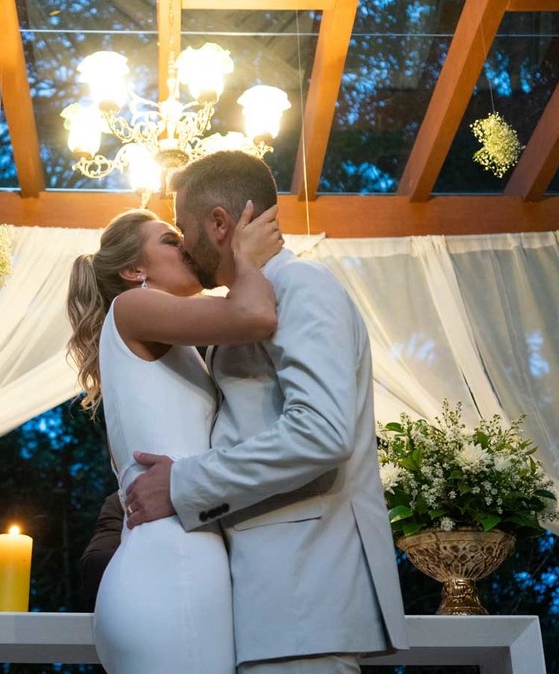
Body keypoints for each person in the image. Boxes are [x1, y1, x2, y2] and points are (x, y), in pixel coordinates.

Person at [124, 150, 409, 674]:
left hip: (302, 596)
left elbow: (321, 434)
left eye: (184, 228)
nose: (185, 245)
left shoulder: (303, 287)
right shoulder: (243, 310)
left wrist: (182, 484)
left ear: (218, 224)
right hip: (268, 602)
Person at [66, 202, 284, 674]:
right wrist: (246, 256)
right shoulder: (133, 307)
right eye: (169, 239)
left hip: (169, 558)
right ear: (133, 270)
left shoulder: (171, 338)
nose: (185, 244)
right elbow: (255, 315)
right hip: (172, 564)